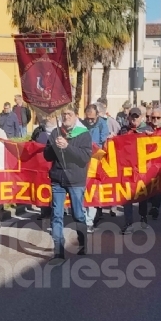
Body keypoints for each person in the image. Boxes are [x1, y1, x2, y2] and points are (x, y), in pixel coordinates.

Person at [44, 107, 93, 260]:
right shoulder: (55, 132)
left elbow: (84, 157)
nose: (66, 117)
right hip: (58, 179)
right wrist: (54, 146)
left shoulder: (84, 134)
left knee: (78, 215)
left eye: (69, 114)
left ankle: (83, 243)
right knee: (56, 215)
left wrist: (67, 147)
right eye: (64, 114)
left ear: (76, 116)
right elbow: (46, 156)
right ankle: (58, 250)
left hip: (76, 181)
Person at [119, 108, 155, 233]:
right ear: (128, 117)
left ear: (141, 118)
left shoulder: (148, 130)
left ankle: (143, 217)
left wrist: (152, 138)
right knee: (127, 196)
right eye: (132, 117)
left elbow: (155, 147)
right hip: (127, 168)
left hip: (142, 168)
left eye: (137, 117)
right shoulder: (123, 130)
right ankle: (128, 222)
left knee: (142, 195)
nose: (134, 119)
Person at [80, 104, 111, 231]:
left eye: (92, 118)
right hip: (82, 160)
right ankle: (84, 218)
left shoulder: (103, 124)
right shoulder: (82, 124)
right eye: (88, 119)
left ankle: (89, 221)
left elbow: (105, 142)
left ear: (97, 115)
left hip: (96, 160)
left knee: (92, 190)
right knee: (82, 190)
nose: (90, 121)